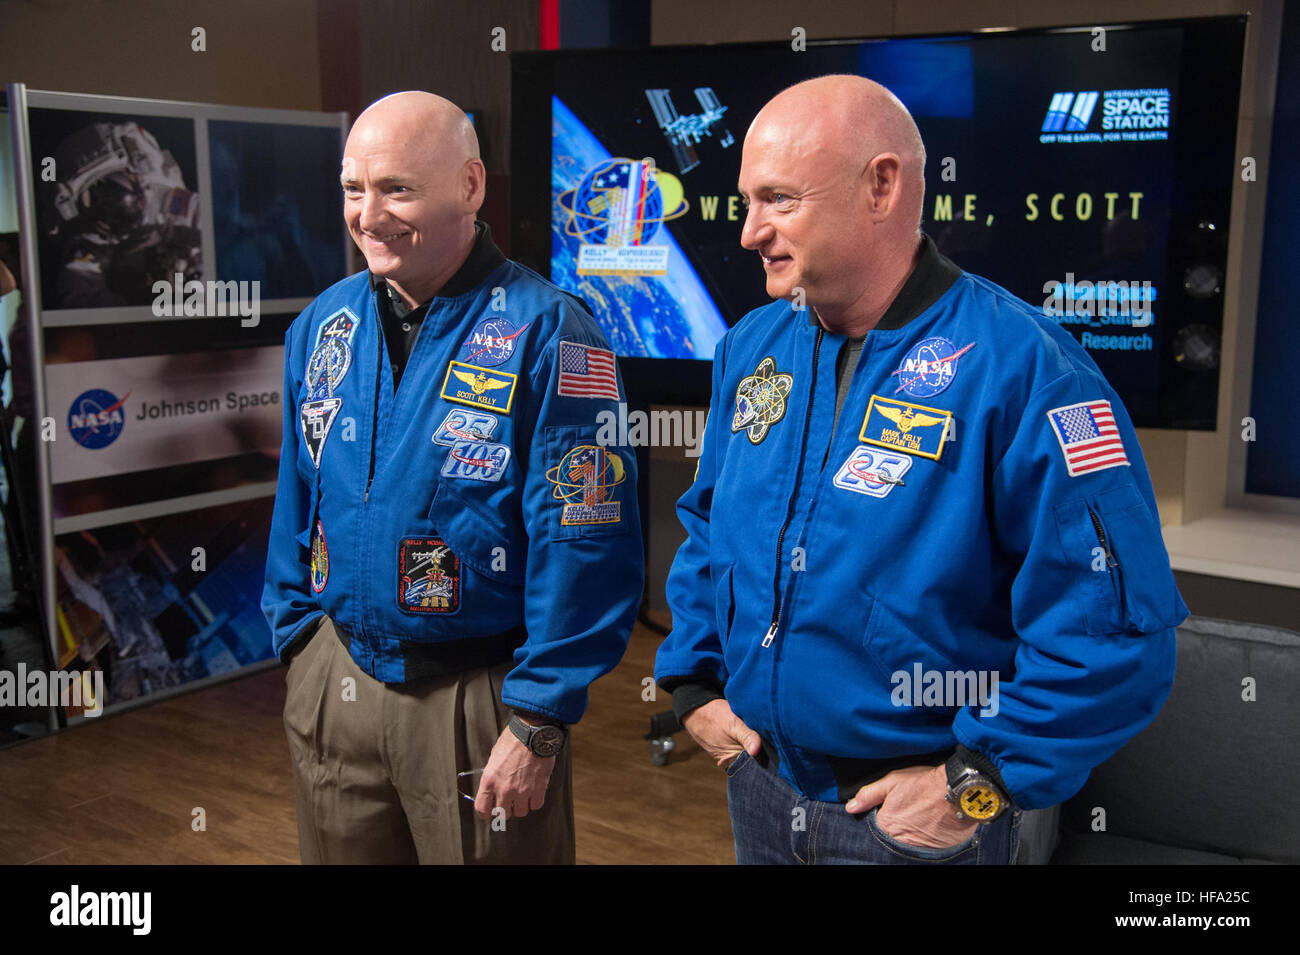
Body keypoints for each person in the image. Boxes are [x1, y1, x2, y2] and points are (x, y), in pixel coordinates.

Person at [654, 75, 1186, 865]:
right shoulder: (751, 347)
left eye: (779, 200)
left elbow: (1113, 632)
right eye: (747, 202)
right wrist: (693, 682)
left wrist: (974, 785)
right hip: (760, 788)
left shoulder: (1030, 371)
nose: (748, 232)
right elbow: (708, 526)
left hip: (916, 823)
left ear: (881, 185)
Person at [261, 91, 643, 864]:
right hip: (338, 674)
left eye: (398, 188)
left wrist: (539, 712)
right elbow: (297, 494)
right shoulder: (323, 326)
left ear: (469, 187)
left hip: (477, 698)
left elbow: (588, 539)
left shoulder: (551, 331)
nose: (369, 215)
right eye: (352, 188)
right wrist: (299, 642)